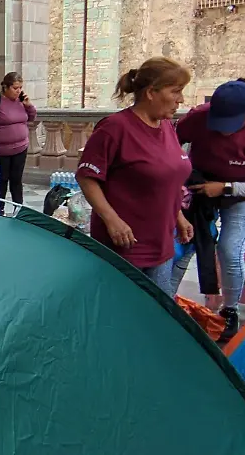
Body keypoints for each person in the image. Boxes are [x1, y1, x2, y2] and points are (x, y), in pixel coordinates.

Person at [171, 78, 245, 339]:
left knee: (228, 248)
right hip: (200, 187)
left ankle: (230, 309)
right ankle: (165, 300)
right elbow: (168, 142)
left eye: (230, 126)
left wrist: (227, 187)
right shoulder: (198, 117)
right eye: (219, 124)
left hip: (243, 194)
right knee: (187, 240)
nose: (224, 132)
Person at [75, 57, 194, 295]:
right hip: (125, 247)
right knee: (124, 316)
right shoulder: (114, 128)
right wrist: (112, 220)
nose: (181, 99)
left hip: (161, 244)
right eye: (176, 92)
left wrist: (178, 215)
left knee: (158, 314)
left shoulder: (167, 127)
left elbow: (165, 177)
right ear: (151, 92)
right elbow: (87, 177)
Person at [0, 72, 36, 207]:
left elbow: (32, 117)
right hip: (0, 151)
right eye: (15, 88)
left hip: (20, 148)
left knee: (16, 181)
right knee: (1, 181)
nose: (19, 91)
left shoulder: (21, 101)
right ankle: (0, 209)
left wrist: (29, 105)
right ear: (5, 87)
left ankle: (18, 209)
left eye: (20, 87)